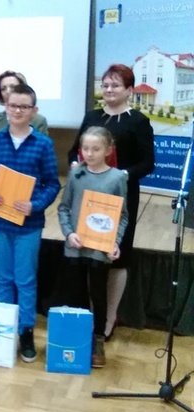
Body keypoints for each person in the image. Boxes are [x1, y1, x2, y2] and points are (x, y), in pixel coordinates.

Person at [68, 64, 154, 339]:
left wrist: (121, 176)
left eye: (115, 85)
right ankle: (92, 315)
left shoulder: (138, 121)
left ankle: (110, 317)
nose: (108, 89)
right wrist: (74, 164)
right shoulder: (92, 116)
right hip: (88, 197)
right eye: (105, 85)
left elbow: (148, 163)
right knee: (90, 255)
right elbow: (74, 151)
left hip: (120, 195)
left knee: (116, 256)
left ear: (129, 90)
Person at [0, 83, 61, 363]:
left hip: (28, 224)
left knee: (25, 279)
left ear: (34, 111)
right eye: (13, 105)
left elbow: (52, 184)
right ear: (5, 107)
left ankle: (26, 331)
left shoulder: (43, 144)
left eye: (24, 107)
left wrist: (34, 204)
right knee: (2, 278)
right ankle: (4, 331)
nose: (17, 111)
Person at [58, 127, 128, 368]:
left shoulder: (117, 178)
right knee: (74, 292)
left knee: (98, 295)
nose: (89, 153)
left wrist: (115, 241)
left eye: (96, 149)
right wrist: (69, 233)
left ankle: (98, 340)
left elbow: (122, 215)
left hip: (100, 248)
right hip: (76, 246)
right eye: (85, 148)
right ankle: (77, 338)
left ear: (108, 150)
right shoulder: (76, 174)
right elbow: (64, 208)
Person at [0, 71, 48, 154]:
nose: (8, 91)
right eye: (3, 89)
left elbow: (40, 150)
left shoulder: (39, 121)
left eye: (13, 87)